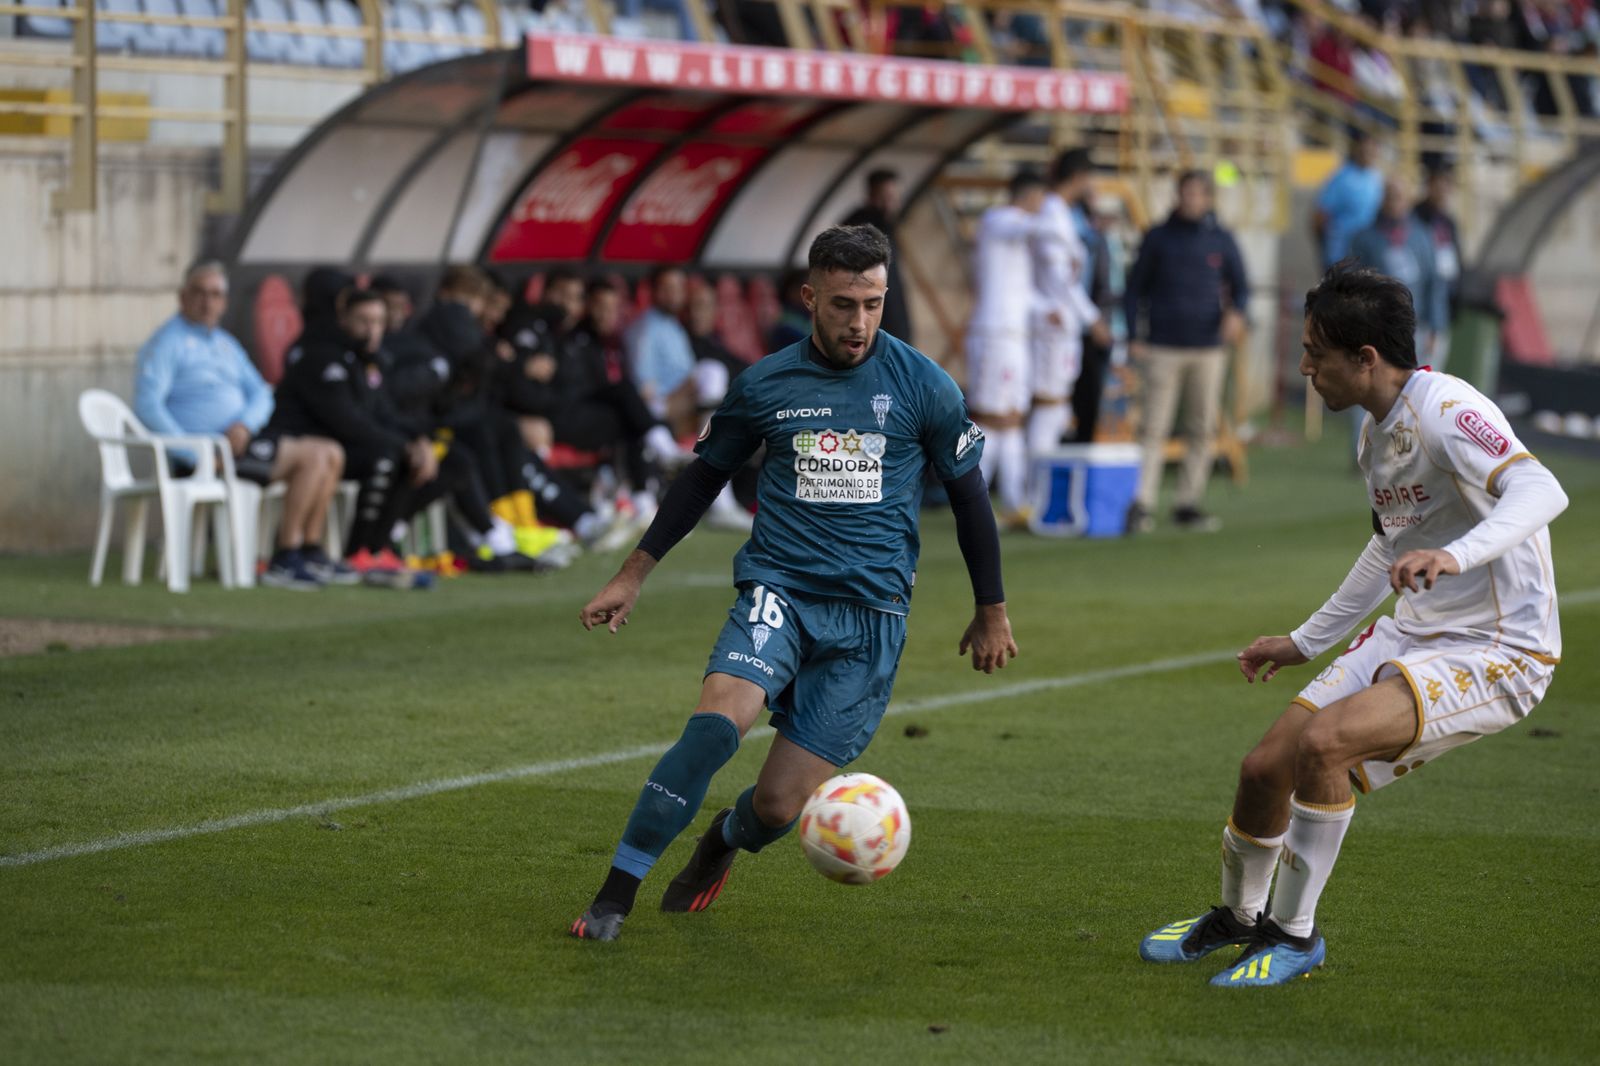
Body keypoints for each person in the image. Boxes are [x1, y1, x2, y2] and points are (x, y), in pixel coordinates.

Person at [568, 224, 1018, 942]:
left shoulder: (924, 386)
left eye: (873, 302)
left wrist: (990, 610)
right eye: (843, 304)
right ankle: (613, 897)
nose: (860, 322)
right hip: (779, 592)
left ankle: (719, 844)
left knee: (779, 808)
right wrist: (632, 574)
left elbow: (970, 498)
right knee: (714, 729)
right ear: (810, 296)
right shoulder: (767, 384)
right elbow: (702, 478)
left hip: (870, 619)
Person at [1139, 264, 1568, 986]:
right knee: (1262, 769)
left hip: (1501, 647)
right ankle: (1240, 920)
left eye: (1315, 353)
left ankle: (1294, 935)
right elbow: (1387, 543)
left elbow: (1539, 487)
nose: (1304, 368)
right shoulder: (1375, 434)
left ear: (1366, 358)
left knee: (1325, 746)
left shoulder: (1447, 409)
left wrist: (1453, 556)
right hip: (1418, 631)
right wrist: (1304, 641)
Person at [133, 260, 348, 590]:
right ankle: (285, 557)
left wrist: (245, 425)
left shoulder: (224, 343)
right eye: (200, 293)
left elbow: (261, 392)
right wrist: (195, 455)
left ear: (225, 302)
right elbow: (148, 405)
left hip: (242, 443)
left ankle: (310, 549)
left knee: (332, 452)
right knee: (314, 457)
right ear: (182, 297)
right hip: (209, 456)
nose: (208, 302)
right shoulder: (168, 342)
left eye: (216, 294)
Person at [1123, 171, 1249, 533]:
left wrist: (1236, 315)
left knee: (1202, 426)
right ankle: (1142, 503)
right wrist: (1134, 334)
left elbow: (1241, 286)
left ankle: (1187, 502)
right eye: (1185, 193)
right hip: (1164, 345)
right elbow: (1135, 290)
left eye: (1197, 194)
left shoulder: (1220, 239)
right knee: (1153, 426)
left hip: (1208, 348)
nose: (1190, 200)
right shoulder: (1158, 238)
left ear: (1208, 198)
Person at [966, 168, 1052, 524]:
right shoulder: (998, 219)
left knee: (1014, 418)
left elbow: (1024, 294)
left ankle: (1015, 502)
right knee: (991, 417)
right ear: (1031, 196)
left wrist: (1051, 311)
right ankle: (971, 500)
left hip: (1015, 337)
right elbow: (1029, 226)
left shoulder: (1019, 240)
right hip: (994, 334)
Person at [1028, 153, 1107, 459]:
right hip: (1054, 322)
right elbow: (1061, 279)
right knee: (1049, 406)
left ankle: (1037, 489)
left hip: (1062, 323)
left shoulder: (1061, 213)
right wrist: (1092, 317)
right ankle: (1032, 491)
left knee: (1058, 408)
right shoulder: (1052, 215)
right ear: (1078, 177)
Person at [1348, 178, 1442, 365]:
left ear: (1407, 200)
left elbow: (1434, 282)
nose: (1393, 203)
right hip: (1378, 325)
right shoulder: (1366, 238)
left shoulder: (1422, 236)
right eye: (1389, 197)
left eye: (1398, 197)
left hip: (1416, 325)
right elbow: (1355, 283)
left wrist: (1435, 326)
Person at [840, 168, 914, 346]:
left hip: (891, 312)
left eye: (894, 198)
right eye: (886, 197)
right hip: (873, 318)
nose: (891, 204)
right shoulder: (859, 226)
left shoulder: (887, 225)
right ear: (872, 195)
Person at [1412, 165, 1461, 365]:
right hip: (1422, 311)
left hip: (1444, 307)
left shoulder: (1448, 221)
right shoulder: (1415, 220)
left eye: (1446, 184)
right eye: (1438, 183)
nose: (1442, 189)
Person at [1312, 132, 1384, 270]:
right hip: (1342, 255)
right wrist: (1325, 248)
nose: (1368, 154)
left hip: (1367, 255)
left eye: (1372, 150)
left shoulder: (1377, 178)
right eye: (1364, 150)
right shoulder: (1342, 177)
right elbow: (1319, 217)